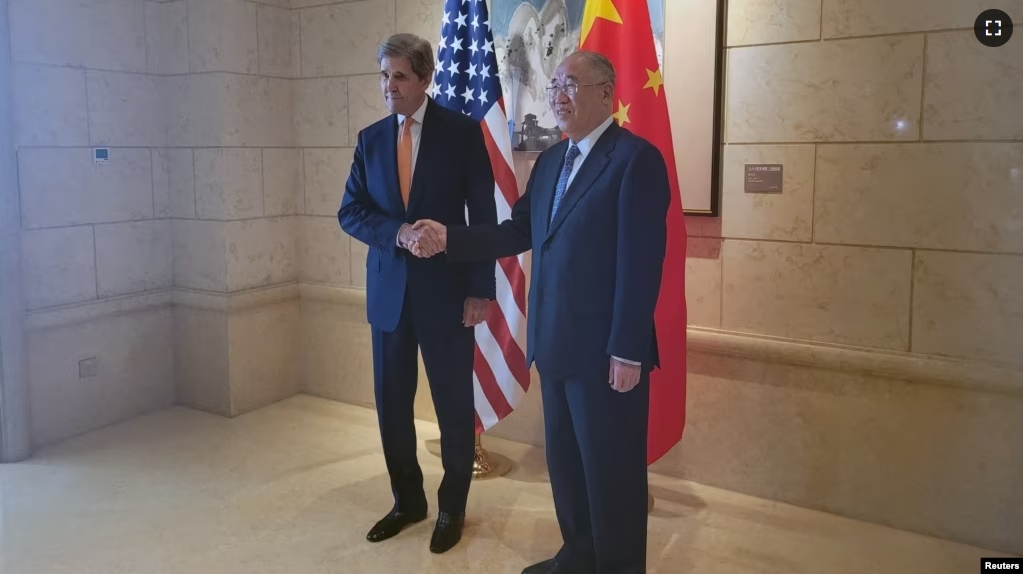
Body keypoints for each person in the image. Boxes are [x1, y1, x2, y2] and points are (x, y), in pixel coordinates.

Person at [410, 51, 670, 573]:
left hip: (606, 356)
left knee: (611, 472)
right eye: (553, 85)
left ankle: (617, 566)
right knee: (568, 467)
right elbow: (516, 231)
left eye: (570, 83)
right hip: (553, 345)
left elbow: (640, 263)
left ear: (605, 92)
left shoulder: (635, 160)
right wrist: (449, 240)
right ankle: (578, 554)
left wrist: (626, 349)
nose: (557, 95)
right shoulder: (552, 161)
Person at [337, 33, 497, 554]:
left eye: (399, 76)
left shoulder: (462, 133)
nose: (389, 87)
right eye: (383, 75)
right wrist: (398, 233)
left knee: (453, 407)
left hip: (449, 297)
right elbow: (351, 211)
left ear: (425, 79)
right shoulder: (371, 139)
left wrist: (481, 288)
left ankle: (452, 505)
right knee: (391, 406)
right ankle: (409, 501)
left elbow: (483, 217)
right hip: (389, 298)